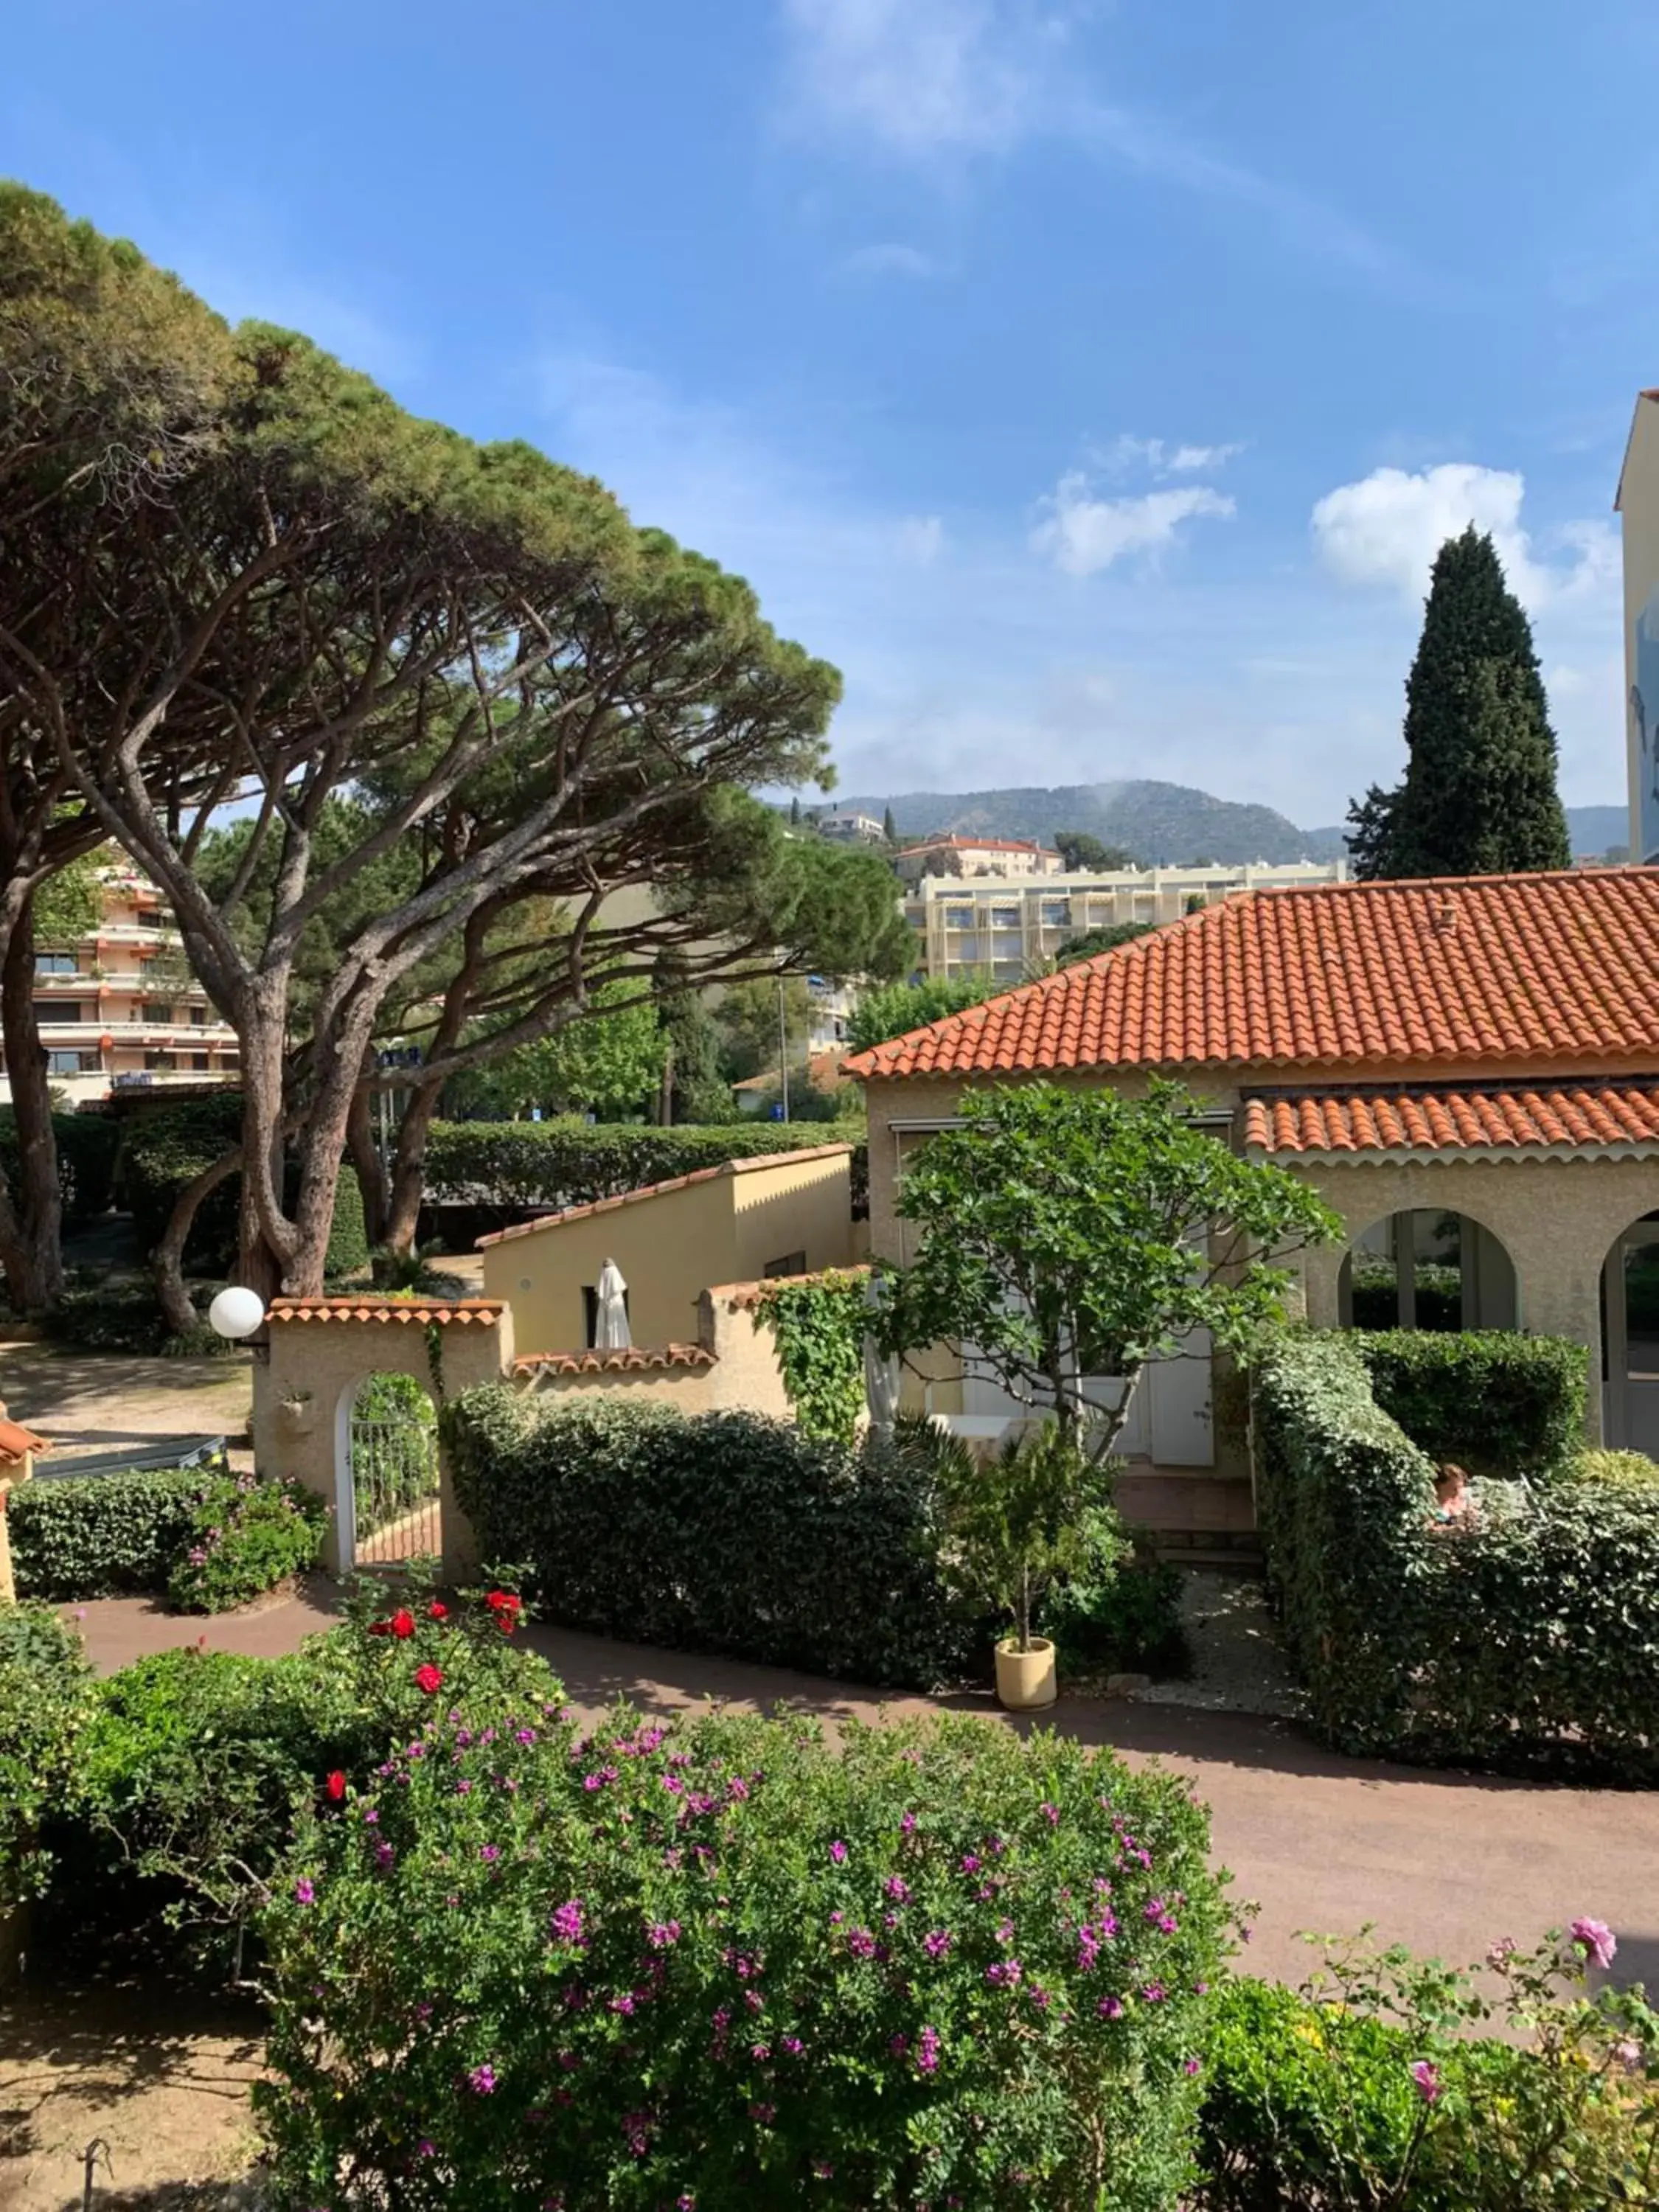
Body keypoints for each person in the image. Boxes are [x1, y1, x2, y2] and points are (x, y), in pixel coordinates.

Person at [1430, 1461, 1475, 1526]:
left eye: (1460, 1487)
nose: (1458, 1492)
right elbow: (1429, 1531)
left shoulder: (1463, 1499)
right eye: (1454, 1489)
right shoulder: (1430, 1507)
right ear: (1440, 1486)